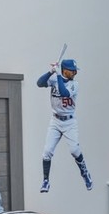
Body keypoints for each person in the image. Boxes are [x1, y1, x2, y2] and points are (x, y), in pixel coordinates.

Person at [36, 58, 92, 193]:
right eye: (72, 71)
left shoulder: (75, 84)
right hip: (55, 121)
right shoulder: (55, 79)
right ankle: (45, 181)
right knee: (47, 152)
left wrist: (58, 76)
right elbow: (39, 83)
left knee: (74, 150)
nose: (74, 73)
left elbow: (64, 93)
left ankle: (85, 173)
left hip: (69, 122)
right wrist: (50, 72)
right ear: (65, 70)